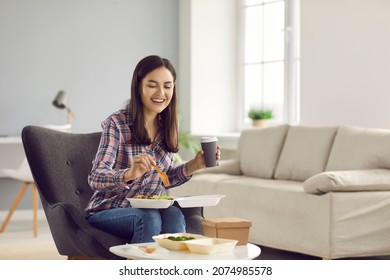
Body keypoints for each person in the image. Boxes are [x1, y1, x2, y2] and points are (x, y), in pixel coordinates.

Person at [85, 55, 220, 243]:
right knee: (148, 217)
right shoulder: (117, 123)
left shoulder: (169, 126)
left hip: (152, 207)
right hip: (108, 210)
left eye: (167, 86)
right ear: (139, 86)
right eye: (152, 85)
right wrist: (128, 174)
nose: (160, 93)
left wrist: (193, 165)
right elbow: (95, 178)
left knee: (173, 214)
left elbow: (164, 179)